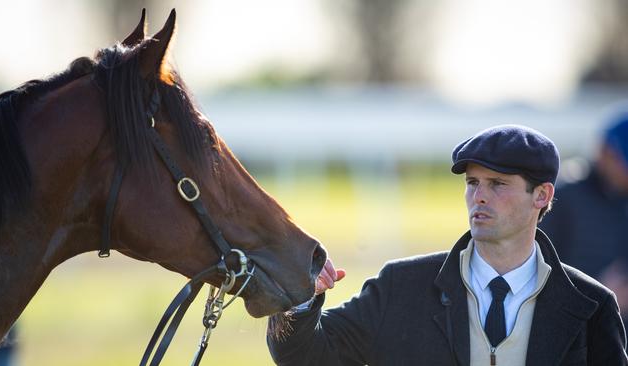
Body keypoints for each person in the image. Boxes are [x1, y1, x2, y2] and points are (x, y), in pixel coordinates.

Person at [267, 125, 628, 365]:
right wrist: (298, 299)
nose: (479, 197)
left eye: (497, 184)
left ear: (542, 195)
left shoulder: (592, 306)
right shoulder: (401, 286)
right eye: (473, 183)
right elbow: (307, 354)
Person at [540, 111, 628, 325]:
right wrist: (600, 293)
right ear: (605, 152)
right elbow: (536, 276)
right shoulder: (562, 197)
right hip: (578, 334)